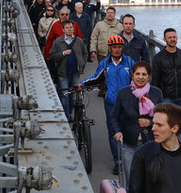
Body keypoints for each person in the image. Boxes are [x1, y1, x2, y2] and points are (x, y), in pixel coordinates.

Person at [81, 35, 134, 174]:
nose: (117, 50)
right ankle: (118, 161)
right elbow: (96, 78)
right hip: (111, 102)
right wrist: (82, 84)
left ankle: (130, 158)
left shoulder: (129, 62)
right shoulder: (105, 64)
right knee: (113, 132)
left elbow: (139, 79)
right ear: (109, 48)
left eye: (119, 47)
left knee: (129, 130)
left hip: (129, 103)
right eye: (114, 47)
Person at [129, 103, 181, 193]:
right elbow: (134, 189)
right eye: (153, 123)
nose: (153, 128)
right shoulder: (143, 154)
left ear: (175, 128)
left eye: (159, 125)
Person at [110, 61, 164, 181]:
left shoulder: (156, 93)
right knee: (132, 180)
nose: (140, 77)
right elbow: (114, 116)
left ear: (148, 76)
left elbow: (163, 118)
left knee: (151, 179)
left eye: (144, 74)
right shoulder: (123, 93)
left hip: (151, 143)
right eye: (137, 74)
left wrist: (150, 122)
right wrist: (117, 131)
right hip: (129, 144)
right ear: (132, 75)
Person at [152, 28, 181, 130]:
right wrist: (156, 98)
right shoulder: (158, 58)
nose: (172, 39)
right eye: (169, 37)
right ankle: (171, 142)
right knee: (169, 123)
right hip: (167, 96)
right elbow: (155, 79)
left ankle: (172, 139)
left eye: (174, 37)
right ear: (164, 39)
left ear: (177, 38)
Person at [49, 20, 88, 119]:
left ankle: (70, 111)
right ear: (63, 30)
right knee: (65, 95)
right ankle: (66, 115)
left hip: (75, 72)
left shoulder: (79, 41)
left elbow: (85, 54)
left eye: (71, 27)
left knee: (73, 95)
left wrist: (82, 65)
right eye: (67, 27)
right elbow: (52, 55)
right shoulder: (58, 41)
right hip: (63, 73)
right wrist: (63, 53)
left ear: (73, 29)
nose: (69, 29)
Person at [89, 6, 123, 97]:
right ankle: (102, 89)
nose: (110, 14)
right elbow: (94, 37)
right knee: (102, 72)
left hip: (115, 54)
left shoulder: (120, 26)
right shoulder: (99, 24)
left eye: (112, 13)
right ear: (106, 14)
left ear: (114, 14)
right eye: (108, 12)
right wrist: (93, 50)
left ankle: (112, 90)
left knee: (114, 72)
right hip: (102, 53)